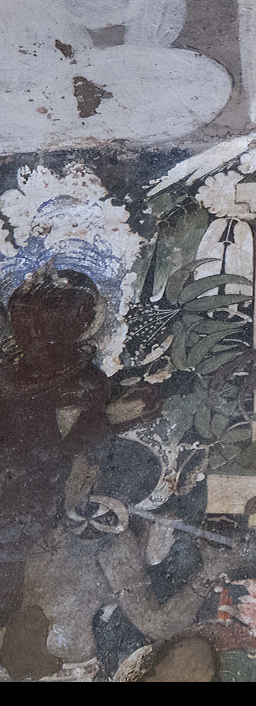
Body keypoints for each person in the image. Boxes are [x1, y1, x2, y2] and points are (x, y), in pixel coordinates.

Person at [0, 267, 111, 677]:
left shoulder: (88, 385)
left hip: (38, 520)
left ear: (78, 322)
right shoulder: (5, 379)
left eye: (47, 316)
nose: (33, 328)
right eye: (23, 317)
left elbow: (78, 452)